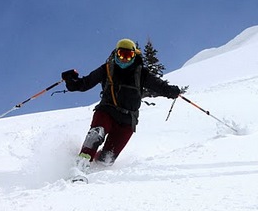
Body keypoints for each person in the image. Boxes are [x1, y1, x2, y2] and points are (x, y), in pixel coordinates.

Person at [61, 38, 181, 176]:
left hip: (128, 120)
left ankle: (95, 174)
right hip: (107, 111)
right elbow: (85, 83)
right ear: (116, 54)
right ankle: (79, 166)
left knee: (107, 158)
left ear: (134, 55)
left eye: (128, 55)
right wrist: (72, 81)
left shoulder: (141, 72)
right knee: (96, 134)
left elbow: (158, 85)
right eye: (121, 54)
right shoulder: (107, 68)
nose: (124, 59)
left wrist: (171, 91)